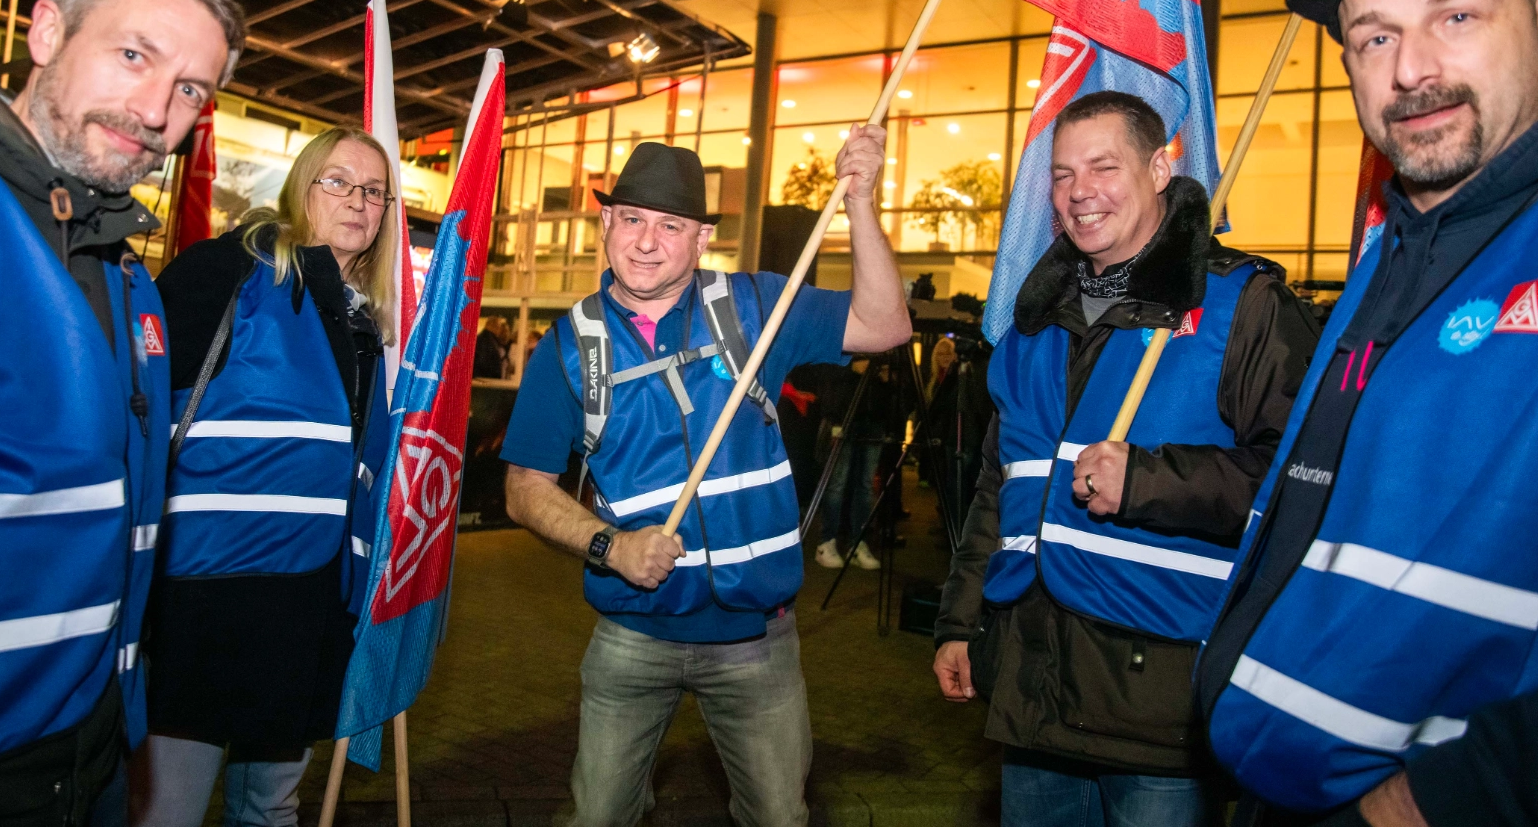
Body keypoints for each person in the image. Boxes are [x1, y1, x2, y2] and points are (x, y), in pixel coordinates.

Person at [1194, 0, 1538, 824]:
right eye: (1373, 37)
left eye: (1454, 16)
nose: (1411, 69)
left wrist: (1425, 802)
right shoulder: (1391, 250)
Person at [0, 0, 241, 822]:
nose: (159, 109)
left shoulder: (125, 276)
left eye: (193, 89)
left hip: (86, 758)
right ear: (46, 29)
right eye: (135, 55)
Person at [931, 91, 1320, 827]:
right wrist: (961, 621)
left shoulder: (1245, 305)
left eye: (1103, 167)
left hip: (1159, 705)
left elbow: (1305, 482)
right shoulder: (1031, 326)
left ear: (1160, 168)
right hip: (1029, 689)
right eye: (1063, 174)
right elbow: (998, 488)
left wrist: (1149, 481)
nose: (1080, 192)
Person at [500, 134, 909, 826]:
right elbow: (524, 487)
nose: (647, 242)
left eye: (671, 225)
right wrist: (610, 546)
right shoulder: (570, 345)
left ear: (701, 238)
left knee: (779, 816)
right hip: (632, 635)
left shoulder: (756, 307)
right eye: (631, 218)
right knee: (598, 815)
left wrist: (861, 204)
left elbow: (885, 322)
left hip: (757, 639)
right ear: (606, 224)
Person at [127, 129, 396, 825]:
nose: (358, 201)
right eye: (339, 181)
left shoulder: (363, 320)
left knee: (271, 805)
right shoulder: (226, 271)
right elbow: (134, 399)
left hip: (304, 600)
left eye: (373, 191)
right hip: (203, 594)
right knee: (168, 807)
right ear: (301, 187)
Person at [814, 356, 903, 570]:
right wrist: (852, 368)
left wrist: (888, 378)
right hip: (844, 417)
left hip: (874, 420)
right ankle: (827, 542)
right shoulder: (843, 336)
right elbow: (823, 373)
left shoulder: (883, 341)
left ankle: (859, 543)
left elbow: (899, 388)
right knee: (837, 483)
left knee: (865, 486)